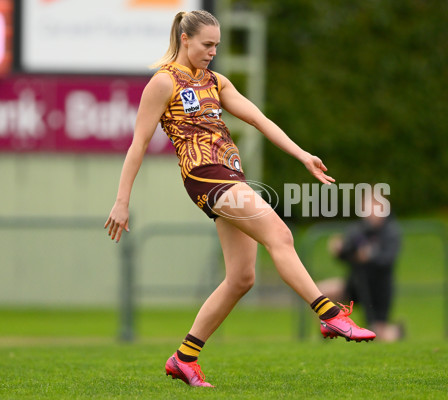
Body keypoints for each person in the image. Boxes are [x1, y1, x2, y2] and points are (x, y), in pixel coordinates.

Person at [104, 10, 375, 388]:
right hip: (205, 176)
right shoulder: (163, 82)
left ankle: (184, 358)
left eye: (216, 45)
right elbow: (138, 145)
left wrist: (302, 155)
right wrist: (122, 200)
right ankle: (329, 314)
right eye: (206, 44)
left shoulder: (216, 81)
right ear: (185, 39)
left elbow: (259, 120)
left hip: (230, 176)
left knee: (241, 277)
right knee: (280, 236)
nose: (213, 51)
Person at [318, 190, 403, 342]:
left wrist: (370, 256)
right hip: (355, 285)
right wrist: (338, 249)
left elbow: (387, 259)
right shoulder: (358, 229)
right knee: (319, 293)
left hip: (378, 291)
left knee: (379, 335)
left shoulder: (390, 231)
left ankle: (396, 330)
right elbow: (347, 252)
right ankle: (330, 328)